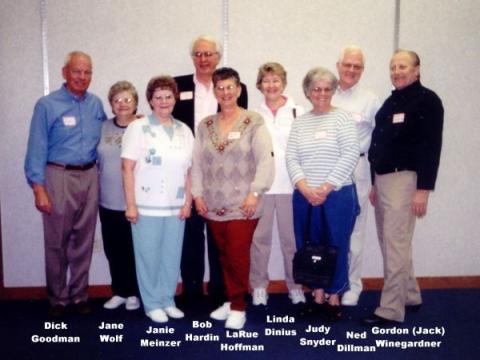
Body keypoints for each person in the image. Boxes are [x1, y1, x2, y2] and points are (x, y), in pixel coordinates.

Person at [363, 50, 443, 325]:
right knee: (393, 243)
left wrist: (423, 189)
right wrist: (375, 182)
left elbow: (432, 147)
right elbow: (380, 144)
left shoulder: (427, 100)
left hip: (405, 180)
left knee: (395, 244)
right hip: (383, 180)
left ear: (417, 69)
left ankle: (390, 311)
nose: (397, 71)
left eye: (403, 66)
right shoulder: (391, 101)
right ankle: (409, 294)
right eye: (393, 67)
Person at [24, 51, 107, 317]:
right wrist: (39, 189)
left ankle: (79, 295)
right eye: (77, 71)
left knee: (84, 240)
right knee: (57, 241)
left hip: (90, 175)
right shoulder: (47, 105)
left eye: (87, 72)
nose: (82, 77)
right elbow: (36, 147)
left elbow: (108, 137)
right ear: (64, 73)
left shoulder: (95, 105)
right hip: (58, 176)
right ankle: (58, 298)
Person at [191, 67, 274, 329]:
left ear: (238, 90)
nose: (225, 92)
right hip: (214, 204)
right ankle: (230, 299)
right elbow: (197, 164)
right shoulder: (205, 125)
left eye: (230, 87)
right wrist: (197, 194)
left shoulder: (254, 121)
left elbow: (265, 161)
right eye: (220, 88)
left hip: (244, 204)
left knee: (238, 256)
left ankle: (239, 306)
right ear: (214, 91)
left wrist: (255, 193)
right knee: (224, 256)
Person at [173, 35, 248, 306]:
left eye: (208, 54)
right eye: (198, 54)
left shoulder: (234, 88)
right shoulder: (177, 85)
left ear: (218, 56)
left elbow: (241, 128)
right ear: (192, 57)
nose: (203, 59)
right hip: (187, 169)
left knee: (221, 237)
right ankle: (191, 291)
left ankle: (220, 291)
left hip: (222, 174)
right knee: (191, 234)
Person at [286, 67, 359, 320]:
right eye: (316, 88)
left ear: (334, 91)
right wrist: (305, 188)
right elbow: (291, 157)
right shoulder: (300, 123)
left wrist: (326, 187)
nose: (322, 93)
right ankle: (316, 294)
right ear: (307, 92)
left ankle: (334, 296)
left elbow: (350, 154)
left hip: (337, 195)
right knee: (310, 245)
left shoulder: (343, 119)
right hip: (305, 196)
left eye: (328, 88)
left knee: (336, 245)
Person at [121, 76, 194, 323]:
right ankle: (151, 303)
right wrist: (130, 204)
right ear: (150, 100)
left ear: (175, 99)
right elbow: (127, 168)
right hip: (146, 205)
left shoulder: (184, 130)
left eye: (168, 96)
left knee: (171, 256)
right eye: (158, 97)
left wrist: (187, 202)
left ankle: (167, 300)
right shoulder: (138, 128)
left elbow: (190, 171)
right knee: (148, 255)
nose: (164, 101)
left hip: (175, 206)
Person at [249, 62, 306, 306]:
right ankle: (259, 286)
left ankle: (295, 286)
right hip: (262, 187)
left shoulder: (298, 112)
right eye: (266, 80)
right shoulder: (252, 115)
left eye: (275, 80)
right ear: (259, 85)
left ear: (283, 83)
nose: (271, 85)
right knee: (259, 240)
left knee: (291, 241)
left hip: (291, 186)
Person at [332, 46, 381, 306]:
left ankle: (353, 285)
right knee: (330, 229)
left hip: (358, 168)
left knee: (356, 231)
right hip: (329, 170)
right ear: (338, 65)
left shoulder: (371, 100)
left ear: (362, 70)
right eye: (347, 64)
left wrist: (373, 181)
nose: (351, 70)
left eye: (357, 66)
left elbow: (379, 142)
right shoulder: (325, 93)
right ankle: (331, 284)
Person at [97, 81, 140, 311]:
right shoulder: (103, 127)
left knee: (135, 249)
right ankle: (120, 291)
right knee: (113, 248)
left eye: (127, 99)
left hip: (136, 202)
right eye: (117, 100)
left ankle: (134, 292)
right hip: (108, 200)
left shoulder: (143, 126)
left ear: (136, 104)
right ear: (111, 104)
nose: (122, 104)